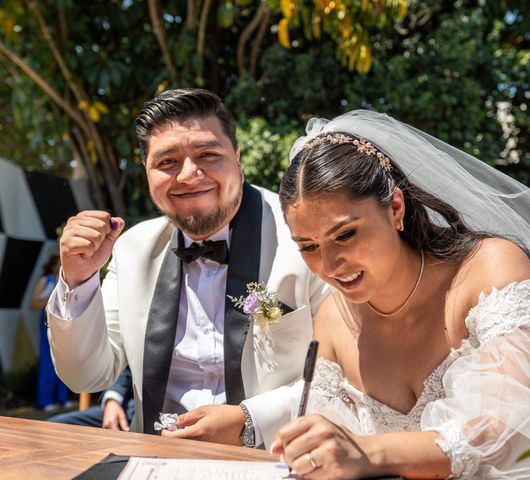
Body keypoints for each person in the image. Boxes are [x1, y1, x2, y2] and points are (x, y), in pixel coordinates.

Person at [269, 110, 530, 479]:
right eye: (309, 247)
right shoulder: (333, 320)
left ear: (395, 208)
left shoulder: (491, 269)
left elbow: (508, 428)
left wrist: (369, 452)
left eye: (345, 235)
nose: (330, 265)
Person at [45, 88, 330, 449]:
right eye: (167, 162)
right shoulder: (132, 249)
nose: (189, 174)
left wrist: (249, 421)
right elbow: (85, 376)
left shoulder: (305, 240)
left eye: (208, 155)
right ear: (146, 173)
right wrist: (78, 278)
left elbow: (341, 378)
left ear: (237, 158)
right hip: (154, 458)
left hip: (273, 457)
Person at [29, 254, 70, 411]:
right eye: (61, 262)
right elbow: (32, 304)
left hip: (61, 320)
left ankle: (62, 398)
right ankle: (44, 401)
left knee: (62, 360)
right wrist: (51, 299)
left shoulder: (63, 280)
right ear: (53, 265)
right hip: (47, 320)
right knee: (48, 360)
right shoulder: (45, 280)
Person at [48, 367, 134, 430]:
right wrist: (112, 400)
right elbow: (125, 368)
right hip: (127, 408)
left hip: (142, 415)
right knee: (53, 427)